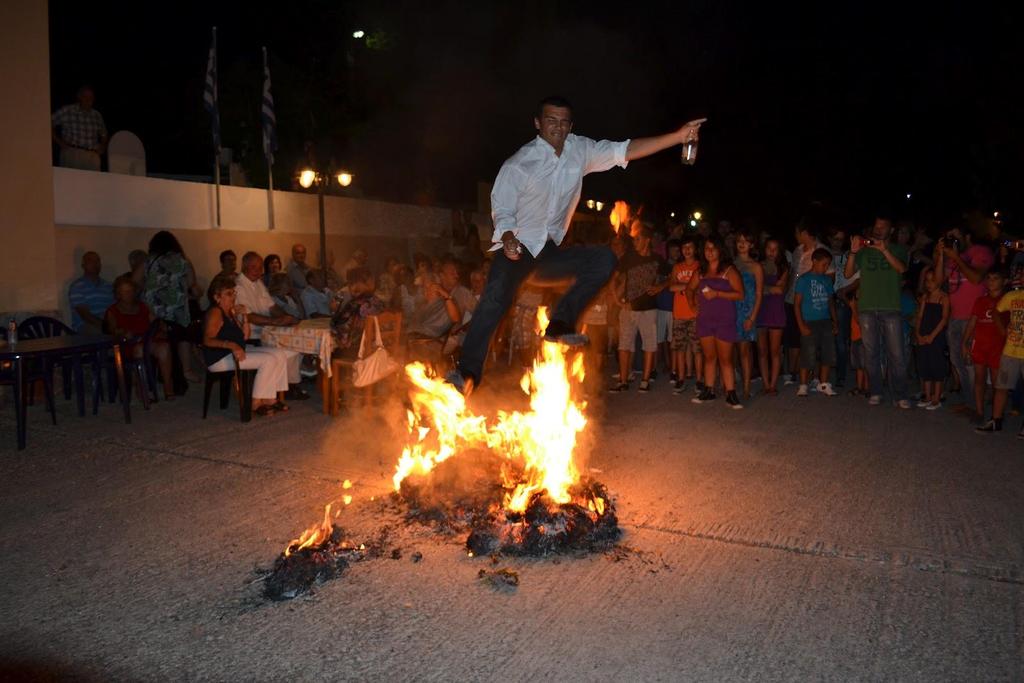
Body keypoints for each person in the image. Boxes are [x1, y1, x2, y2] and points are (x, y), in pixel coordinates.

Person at [447, 95, 706, 395]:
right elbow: (502, 209)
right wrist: (507, 238)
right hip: (517, 249)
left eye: (563, 121)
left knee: (604, 259)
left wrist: (677, 136)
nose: (557, 127)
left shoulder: (579, 151)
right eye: (550, 120)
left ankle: (559, 323)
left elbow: (626, 149)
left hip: (549, 253)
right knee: (495, 297)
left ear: (571, 125)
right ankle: (467, 372)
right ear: (538, 123)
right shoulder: (519, 163)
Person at [845, 216, 911, 408]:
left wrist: (884, 250)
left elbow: (901, 269)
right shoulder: (864, 251)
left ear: (891, 231)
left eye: (883, 226)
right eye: (876, 226)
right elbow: (848, 274)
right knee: (871, 353)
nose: (878, 229)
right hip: (866, 307)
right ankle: (876, 391)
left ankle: (900, 395)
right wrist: (852, 252)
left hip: (890, 307)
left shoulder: (899, 249)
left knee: (896, 353)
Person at [203, 275, 290, 417]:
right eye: (229, 294)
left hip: (235, 350)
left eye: (234, 293)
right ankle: (255, 403)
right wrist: (231, 345)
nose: (233, 297)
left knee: (279, 353)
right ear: (217, 297)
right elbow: (207, 340)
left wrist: (244, 317)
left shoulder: (230, 312)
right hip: (219, 357)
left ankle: (270, 399)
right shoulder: (215, 312)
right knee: (268, 360)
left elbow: (245, 337)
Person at [234, 251, 308, 400]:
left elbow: (272, 306)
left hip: (267, 329)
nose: (259, 271)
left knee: (296, 345)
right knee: (289, 348)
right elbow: (247, 316)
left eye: (260, 267)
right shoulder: (239, 286)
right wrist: (275, 321)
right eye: (254, 267)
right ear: (244, 266)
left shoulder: (258, 283)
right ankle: (286, 388)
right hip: (252, 335)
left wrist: (286, 317)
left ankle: (288, 386)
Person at [934, 227, 994, 412]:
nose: (952, 239)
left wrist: (957, 257)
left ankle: (979, 405)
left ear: (967, 236)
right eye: (949, 236)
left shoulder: (980, 252)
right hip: (955, 317)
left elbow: (976, 278)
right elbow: (937, 282)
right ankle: (970, 402)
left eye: (955, 236)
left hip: (974, 318)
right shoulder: (951, 257)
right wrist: (941, 255)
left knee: (972, 363)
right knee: (957, 360)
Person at [134, 231, 203, 386]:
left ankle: (163, 374)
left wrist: (148, 288)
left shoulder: (148, 261)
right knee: (183, 338)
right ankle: (186, 371)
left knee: (159, 339)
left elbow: (134, 282)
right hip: (177, 308)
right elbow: (192, 284)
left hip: (154, 310)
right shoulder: (183, 261)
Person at [687, 235, 745, 408]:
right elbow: (689, 289)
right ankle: (708, 390)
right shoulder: (700, 271)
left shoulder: (729, 270)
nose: (709, 252)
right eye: (706, 248)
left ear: (720, 250)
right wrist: (692, 305)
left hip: (724, 320)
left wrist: (717, 294)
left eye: (713, 248)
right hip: (705, 320)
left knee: (725, 359)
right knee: (709, 357)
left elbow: (740, 294)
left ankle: (731, 393)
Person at [611, 226, 669, 393]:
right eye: (634, 239)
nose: (634, 242)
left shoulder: (657, 259)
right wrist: (617, 300)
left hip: (648, 309)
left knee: (649, 344)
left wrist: (660, 286)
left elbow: (672, 276)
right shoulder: (629, 257)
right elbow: (614, 278)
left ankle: (645, 380)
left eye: (637, 239)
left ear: (647, 240)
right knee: (624, 344)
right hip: (628, 309)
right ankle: (623, 381)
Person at [105, 275, 174, 400]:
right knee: (139, 349)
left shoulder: (142, 306)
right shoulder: (113, 310)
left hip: (147, 339)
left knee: (164, 347)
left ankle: (168, 388)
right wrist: (122, 331)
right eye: (125, 292)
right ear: (118, 294)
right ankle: (141, 389)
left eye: (131, 291)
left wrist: (162, 327)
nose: (129, 294)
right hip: (129, 344)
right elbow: (112, 330)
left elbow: (155, 322)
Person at [784, 222, 831, 385]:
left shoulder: (821, 250)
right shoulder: (797, 250)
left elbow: (828, 279)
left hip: (810, 303)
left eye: (797, 232)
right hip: (792, 298)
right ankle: (792, 372)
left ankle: (814, 375)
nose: (795, 236)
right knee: (794, 338)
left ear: (804, 232)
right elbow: (792, 274)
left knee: (813, 340)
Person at [976, 280, 1024, 434]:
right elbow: (996, 311)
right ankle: (996, 420)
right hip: (1011, 350)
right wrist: (1002, 330)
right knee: (1001, 386)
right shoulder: (1013, 296)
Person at [963, 270, 1007, 424]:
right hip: (980, 345)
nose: (991, 281)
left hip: (998, 346)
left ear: (1004, 281)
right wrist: (965, 342)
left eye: (996, 278)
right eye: (989, 278)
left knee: (997, 384)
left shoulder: (1007, 299)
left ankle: (996, 414)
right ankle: (979, 411)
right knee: (979, 379)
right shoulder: (980, 301)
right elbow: (972, 322)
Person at [793, 248, 838, 397]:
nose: (826, 268)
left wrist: (835, 322)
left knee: (827, 353)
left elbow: (831, 302)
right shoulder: (804, 280)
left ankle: (823, 384)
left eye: (828, 265)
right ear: (814, 261)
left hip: (825, 321)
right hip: (809, 321)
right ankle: (803, 384)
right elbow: (797, 304)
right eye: (824, 264)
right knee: (807, 353)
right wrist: (801, 325)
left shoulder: (826, 280)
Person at [408, 258, 474, 340]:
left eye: (457, 273)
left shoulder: (464, 293)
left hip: (450, 339)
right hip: (426, 337)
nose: (457, 275)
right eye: (452, 273)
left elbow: (477, 314)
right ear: (442, 276)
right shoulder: (434, 293)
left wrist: (465, 330)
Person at [670, 236, 703, 394]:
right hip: (679, 314)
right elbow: (671, 287)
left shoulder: (700, 266)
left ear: (695, 249)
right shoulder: (677, 267)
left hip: (695, 313)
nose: (687, 250)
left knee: (697, 349)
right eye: (684, 248)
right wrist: (690, 286)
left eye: (690, 247)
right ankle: (681, 378)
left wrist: (683, 287)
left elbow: (701, 287)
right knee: (680, 348)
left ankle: (699, 380)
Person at [756, 238, 790, 395]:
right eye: (769, 248)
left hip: (776, 311)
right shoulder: (758, 266)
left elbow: (779, 290)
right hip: (760, 311)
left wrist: (763, 289)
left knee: (775, 351)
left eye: (775, 249)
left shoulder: (783, 268)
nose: (771, 252)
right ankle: (765, 383)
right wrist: (769, 288)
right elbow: (757, 288)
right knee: (762, 351)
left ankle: (773, 384)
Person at [733, 229, 764, 399]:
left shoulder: (755, 267)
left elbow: (759, 294)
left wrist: (752, 317)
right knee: (732, 350)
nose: (742, 243)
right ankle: (730, 383)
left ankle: (746, 386)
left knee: (745, 350)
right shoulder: (731, 264)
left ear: (751, 244)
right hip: (731, 310)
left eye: (745, 240)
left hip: (747, 311)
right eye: (739, 240)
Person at [914, 267, 950, 410]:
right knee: (925, 365)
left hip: (936, 336)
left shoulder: (944, 298)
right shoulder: (925, 297)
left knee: (937, 366)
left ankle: (936, 398)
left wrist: (932, 336)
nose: (929, 283)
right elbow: (920, 317)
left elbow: (944, 319)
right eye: (927, 280)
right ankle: (927, 396)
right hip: (924, 335)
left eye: (932, 280)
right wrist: (918, 334)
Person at [331, 267, 385, 359]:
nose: (349, 286)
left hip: (357, 351)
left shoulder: (354, 305)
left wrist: (335, 311)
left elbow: (339, 327)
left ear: (356, 285)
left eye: (350, 283)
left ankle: (346, 373)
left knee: (332, 353)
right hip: (378, 349)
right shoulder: (378, 302)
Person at [52, 85, 107, 171]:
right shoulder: (68, 110)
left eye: (91, 97)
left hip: (92, 155)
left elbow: (104, 133)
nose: (88, 99)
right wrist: (59, 142)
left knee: (93, 183)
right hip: (73, 152)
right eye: (85, 96)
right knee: (71, 182)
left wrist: (103, 145)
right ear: (79, 97)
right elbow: (48, 123)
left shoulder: (97, 115)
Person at [829, 228, 859, 388]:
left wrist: (845, 291)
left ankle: (841, 375)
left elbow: (858, 278)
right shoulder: (824, 254)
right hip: (825, 300)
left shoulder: (849, 256)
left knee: (841, 340)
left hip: (842, 301)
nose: (837, 242)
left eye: (840, 239)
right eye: (835, 238)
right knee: (825, 339)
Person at [68, 251, 113, 334]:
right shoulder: (77, 287)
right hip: (86, 326)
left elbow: (115, 309)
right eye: (90, 261)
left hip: (107, 325)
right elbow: (85, 316)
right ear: (83, 265)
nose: (95, 264)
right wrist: (106, 327)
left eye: (97, 261)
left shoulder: (108, 286)